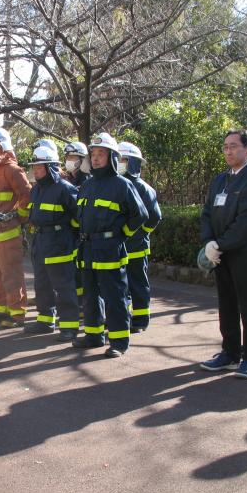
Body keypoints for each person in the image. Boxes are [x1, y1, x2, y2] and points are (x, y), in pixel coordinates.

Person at [199, 129, 247, 379]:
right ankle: (229, 353)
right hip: (220, 252)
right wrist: (209, 241)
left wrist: (219, 245)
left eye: (234, 146)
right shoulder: (221, 179)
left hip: (244, 251)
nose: (229, 151)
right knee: (227, 303)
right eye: (225, 147)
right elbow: (207, 213)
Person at [75, 133, 147, 357]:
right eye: (93, 154)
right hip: (88, 249)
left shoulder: (122, 185)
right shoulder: (87, 186)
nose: (96, 159)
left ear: (112, 158)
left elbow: (140, 215)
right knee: (90, 295)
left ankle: (118, 341)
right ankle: (94, 335)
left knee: (115, 296)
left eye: (101, 154)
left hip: (110, 250)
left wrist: (121, 235)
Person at [23, 145, 80, 342]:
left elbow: (78, 218)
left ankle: (69, 327)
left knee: (64, 286)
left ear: (50, 167)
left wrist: (68, 237)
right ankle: (45, 321)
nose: (35, 170)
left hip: (59, 243)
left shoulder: (65, 188)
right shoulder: (36, 189)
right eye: (34, 167)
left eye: (39, 167)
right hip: (40, 242)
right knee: (42, 284)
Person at [0, 126, 32, 328]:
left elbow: (27, 195)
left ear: (1, 146)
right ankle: (1, 308)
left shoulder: (12, 170)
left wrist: (19, 217)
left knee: (11, 274)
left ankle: (17, 313)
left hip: (8, 232)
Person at [118, 142, 162, 333]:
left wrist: (139, 233)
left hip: (136, 247)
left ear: (133, 162)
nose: (119, 163)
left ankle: (141, 320)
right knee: (121, 284)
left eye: (123, 160)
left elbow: (155, 216)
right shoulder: (116, 184)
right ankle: (124, 317)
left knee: (137, 283)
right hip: (120, 245)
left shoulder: (144, 188)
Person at [62, 141, 91, 309]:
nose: (69, 160)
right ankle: (77, 304)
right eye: (68, 157)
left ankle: (83, 305)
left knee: (81, 273)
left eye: (73, 157)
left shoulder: (87, 180)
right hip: (69, 235)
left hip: (81, 235)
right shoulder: (68, 180)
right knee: (72, 272)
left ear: (82, 160)